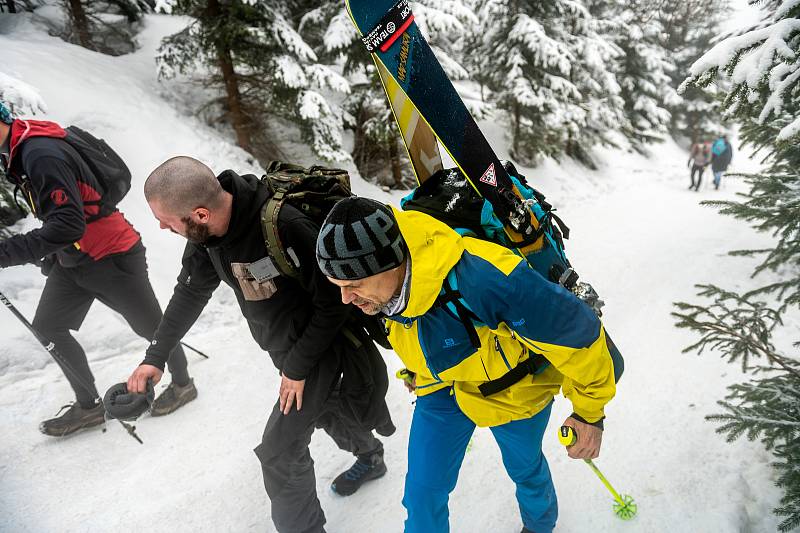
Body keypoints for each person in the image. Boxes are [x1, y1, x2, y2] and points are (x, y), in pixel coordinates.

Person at [316, 197, 618, 533]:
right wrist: (419, 368)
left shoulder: (484, 276)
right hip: (442, 387)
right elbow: (420, 329)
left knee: (526, 471)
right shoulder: (380, 293)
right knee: (422, 495)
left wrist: (590, 412)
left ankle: (540, 525)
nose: (345, 298)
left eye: (352, 285)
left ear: (390, 264)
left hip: (515, 390)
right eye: (338, 287)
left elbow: (578, 335)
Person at [126, 156, 394, 533]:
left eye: (167, 221)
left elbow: (335, 303)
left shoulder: (283, 225)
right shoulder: (206, 238)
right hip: (285, 351)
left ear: (200, 214)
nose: (160, 226)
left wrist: (297, 370)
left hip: (324, 348)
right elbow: (190, 292)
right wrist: (155, 357)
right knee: (329, 410)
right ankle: (371, 457)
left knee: (280, 453)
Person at [0, 102, 195, 437]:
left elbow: (67, 224)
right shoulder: (18, 147)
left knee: (151, 327)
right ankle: (89, 407)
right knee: (49, 327)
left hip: (113, 255)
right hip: (73, 259)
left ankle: (182, 384)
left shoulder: (39, 153)